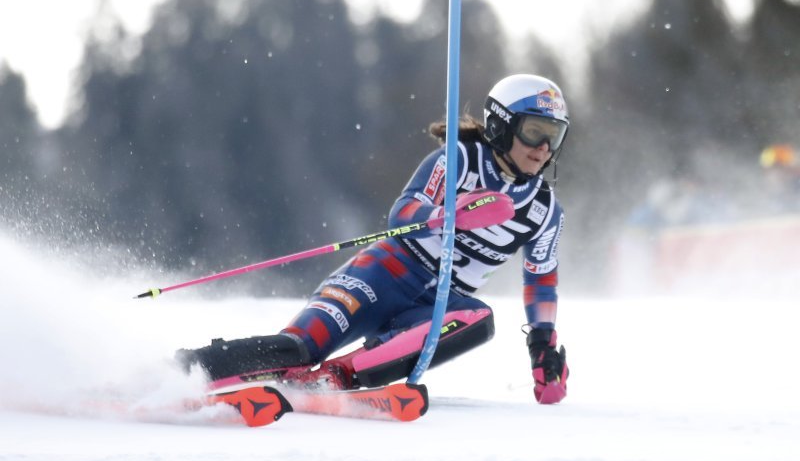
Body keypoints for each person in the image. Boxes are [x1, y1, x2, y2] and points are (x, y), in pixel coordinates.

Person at [179, 74, 571, 404]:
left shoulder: (544, 210)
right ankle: (182, 373)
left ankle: (335, 380)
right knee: (299, 349)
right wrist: (448, 216)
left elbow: (540, 281)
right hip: (382, 276)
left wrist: (543, 348)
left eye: (553, 136)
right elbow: (403, 211)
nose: (543, 148)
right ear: (502, 124)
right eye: (534, 131)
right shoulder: (458, 160)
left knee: (479, 319)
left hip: (435, 306)